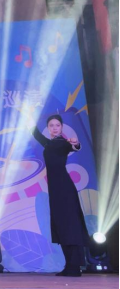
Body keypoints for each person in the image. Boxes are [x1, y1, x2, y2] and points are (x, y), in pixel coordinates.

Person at [32, 114, 88, 277]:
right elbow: (35, 133)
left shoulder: (63, 143)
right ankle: (69, 265)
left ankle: (75, 266)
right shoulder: (49, 143)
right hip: (55, 189)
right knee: (61, 225)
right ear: (48, 128)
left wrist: (76, 144)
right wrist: (28, 115)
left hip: (64, 188)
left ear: (61, 127)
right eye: (51, 125)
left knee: (70, 225)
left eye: (57, 125)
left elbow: (74, 146)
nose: (54, 128)